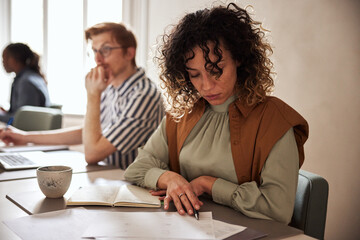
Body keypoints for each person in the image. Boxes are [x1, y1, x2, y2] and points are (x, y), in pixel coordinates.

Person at [124, 3, 309, 224]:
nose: (206, 86)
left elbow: (277, 209)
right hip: (186, 227)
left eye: (216, 71)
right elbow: (136, 170)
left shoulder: (273, 119)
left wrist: (208, 184)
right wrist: (169, 178)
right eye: (195, 74)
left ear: (239, 58)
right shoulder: (182, 114)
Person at [0, 22, 164, 169]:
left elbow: (92, 153)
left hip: (132, 189)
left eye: (106, 50)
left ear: (129, 53)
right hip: (109, 178)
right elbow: (89, 132)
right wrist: (25, 137)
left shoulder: (143, 94)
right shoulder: (112, 88)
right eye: (94, 51)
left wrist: (93, 94)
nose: (97, 59)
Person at [0, 43, 50, 123]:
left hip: (27, 132)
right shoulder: (32, 77)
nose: (2, 62)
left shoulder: (26, 83)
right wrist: (6, 113)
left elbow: (22, 120)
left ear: (14, 59)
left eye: (4, 58)